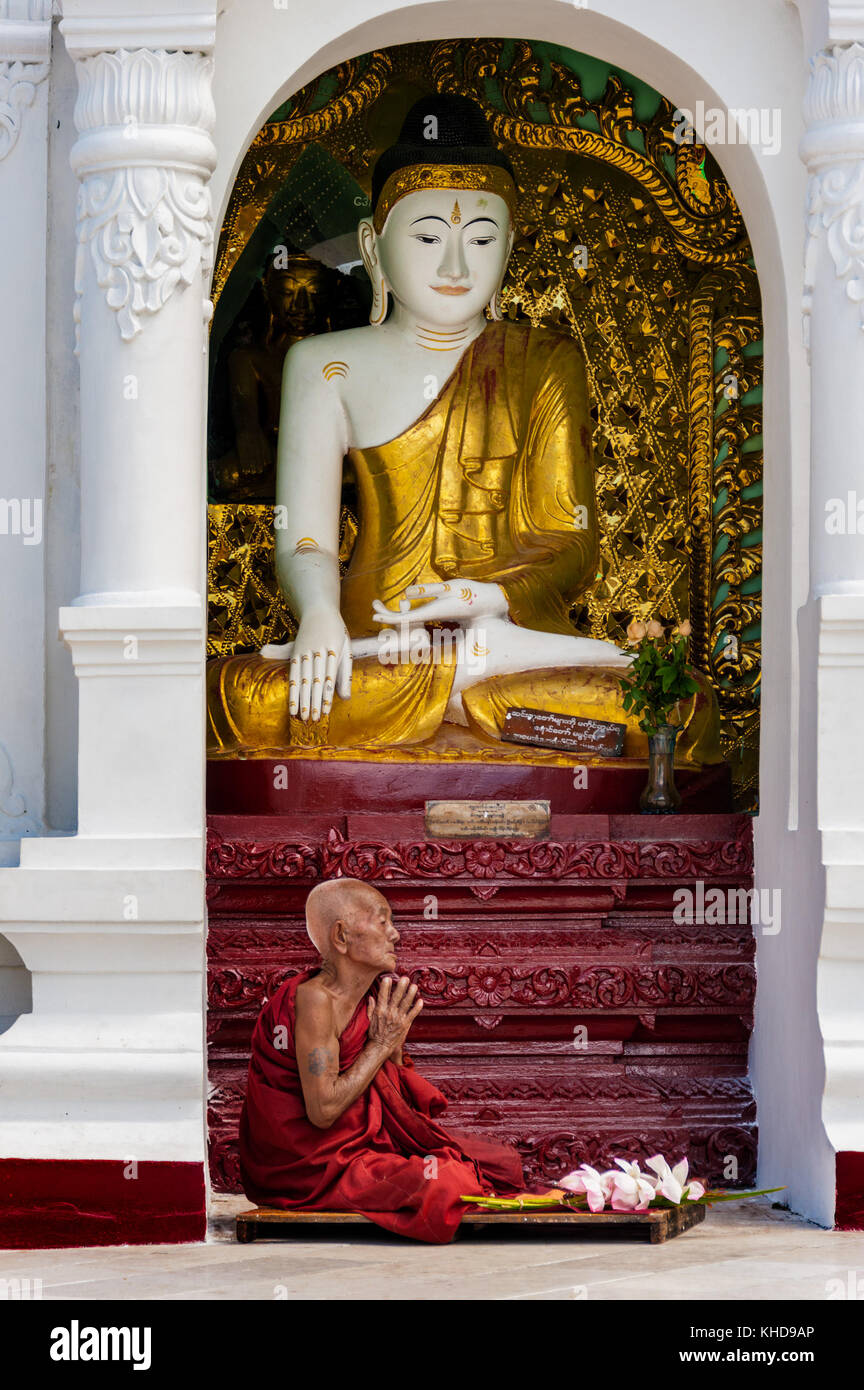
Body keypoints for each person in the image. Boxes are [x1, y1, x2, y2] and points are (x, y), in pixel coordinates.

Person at [238, 877, 526, 1243]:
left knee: (501, 1163)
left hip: (363, 1151)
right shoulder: (314, 1001)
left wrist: (392, 1051)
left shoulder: (373, 999)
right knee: (449, 1181)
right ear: (341, 937)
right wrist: (379, 1046)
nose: (396, 935)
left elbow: (400, 1104)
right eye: (383, 921)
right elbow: (323, 1110)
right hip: (312, 1167)